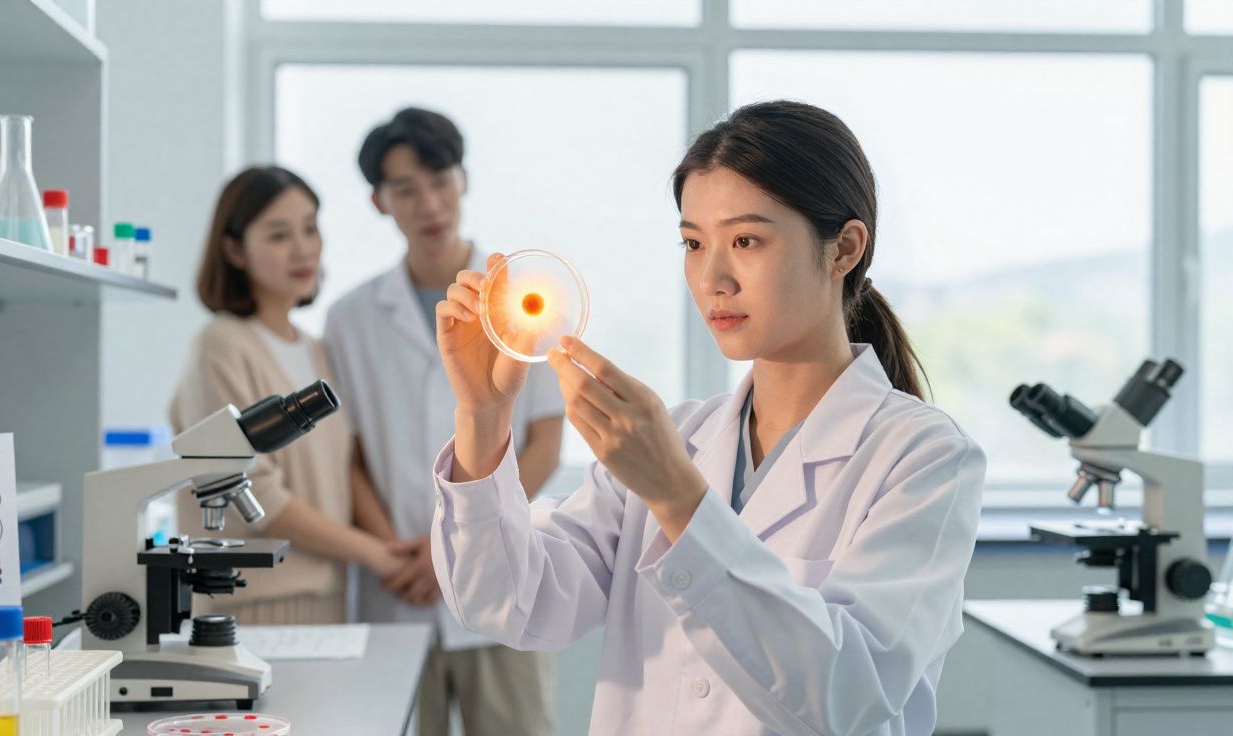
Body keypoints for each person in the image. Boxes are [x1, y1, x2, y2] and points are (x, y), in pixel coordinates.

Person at [429, 101, 987, 735]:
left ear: (844, 250)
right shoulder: (682, 438)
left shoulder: (924, 457)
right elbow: (510, 604)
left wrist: (676, 496)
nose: (711, 277)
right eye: (694, 243)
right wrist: (483, 415)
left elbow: (850, 695)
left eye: (746, 240)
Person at [324, 108, 563, 735]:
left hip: (498, 576)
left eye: (440, 179)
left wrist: (454, 550)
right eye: (405, 188)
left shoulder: (523, 300)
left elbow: (544, 442)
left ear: (464, 179)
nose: (428, 202)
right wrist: (401, 556)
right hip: (396, 586)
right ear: (379, 201)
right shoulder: (350, 318)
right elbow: (347, 455)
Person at [170, 165, 401, 625]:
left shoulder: (315, 350)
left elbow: (343, 467)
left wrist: (390, 548)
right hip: (252, 609)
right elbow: (257, 495)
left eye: (310, 229)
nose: (303, 249)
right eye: (279, 235)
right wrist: (381, 556)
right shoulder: (222, 345)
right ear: (234, 249)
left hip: (328, 601)